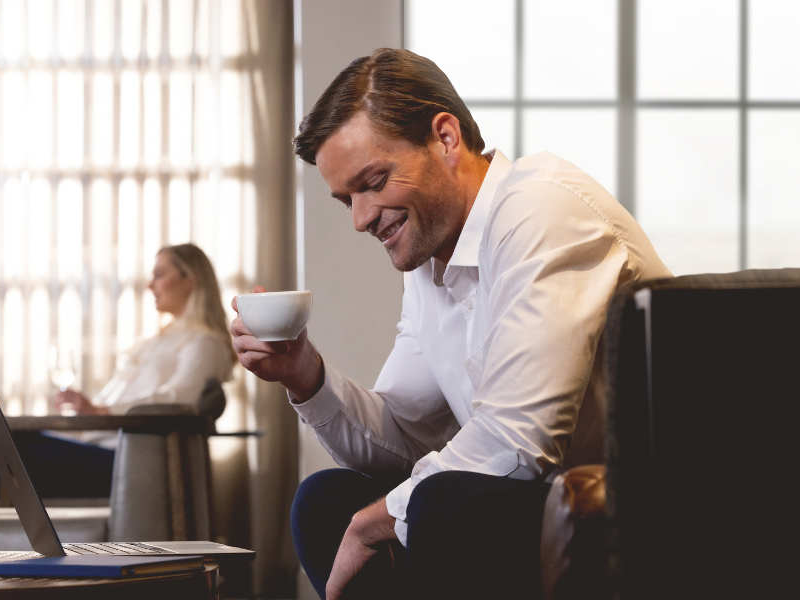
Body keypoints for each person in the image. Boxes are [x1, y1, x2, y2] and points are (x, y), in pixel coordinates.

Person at [230, 49, 672, 600]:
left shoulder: (540, 209)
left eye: (373, 182)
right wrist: (306, 376)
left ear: (445, 138)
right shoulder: (432, 262)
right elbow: (403, 437)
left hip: (640, 506)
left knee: (434, 506)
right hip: (534, 503)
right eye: (347, 199)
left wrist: (375, 522)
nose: (361, 218)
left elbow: (518, 441)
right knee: (326, 500)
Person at [0, 243, 236, 499]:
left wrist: (101, 412)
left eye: (160, 274)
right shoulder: (154, 343)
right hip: (97, 448)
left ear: (190, 280)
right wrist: (89, 410)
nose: (151, 285)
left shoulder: (206, 344)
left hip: (123, 459)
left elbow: (180, 401)